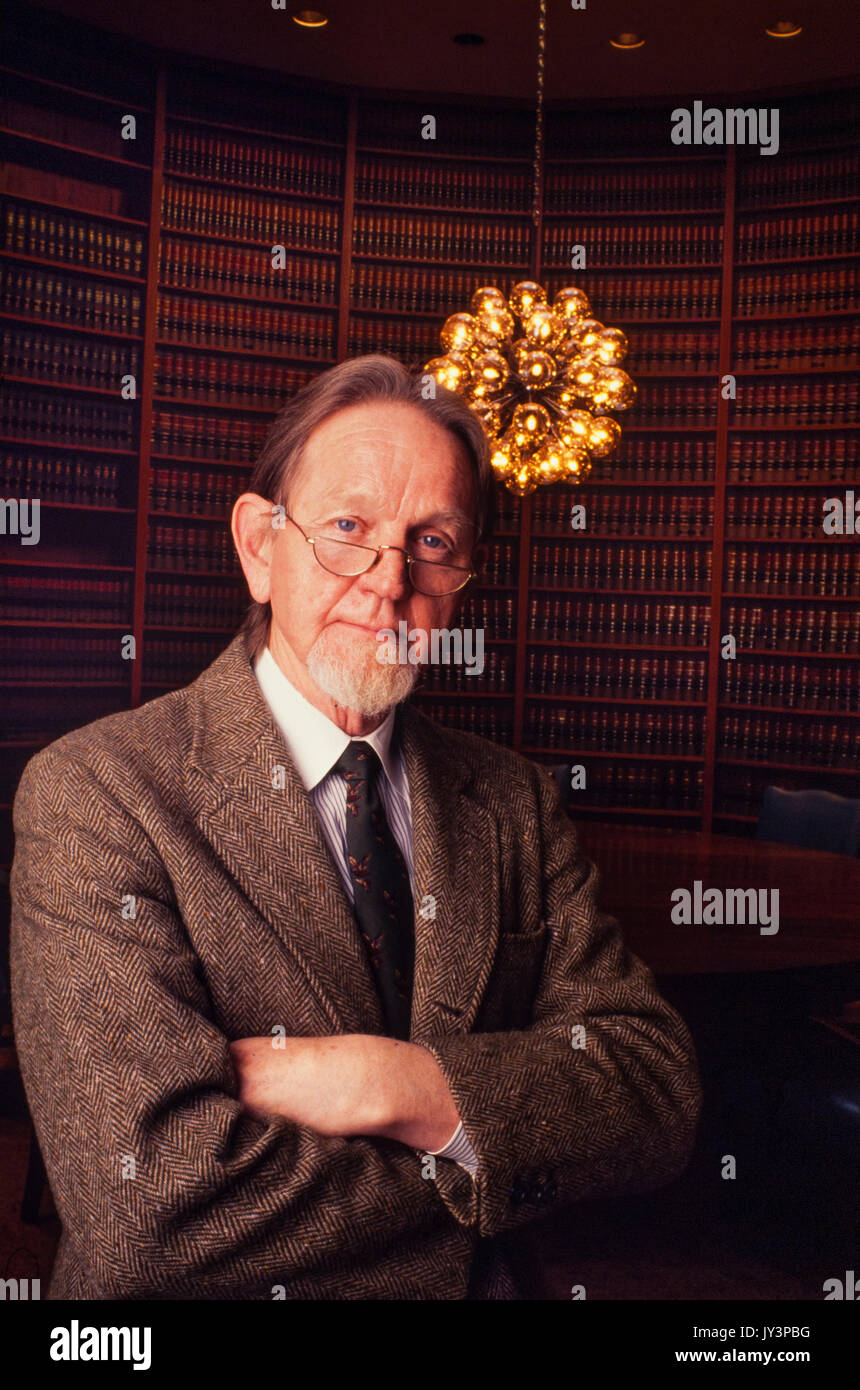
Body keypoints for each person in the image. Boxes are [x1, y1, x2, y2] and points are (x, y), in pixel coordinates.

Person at [10, 354, 702, 1300]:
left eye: (432, 541)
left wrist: (402, 1086)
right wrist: (492, 1155)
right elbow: (153, 1207)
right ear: (261, 547)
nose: (388, 585)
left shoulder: (514, 801)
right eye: (348, 528)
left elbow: (655, 1094)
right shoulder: (95, 792)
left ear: (461, 578)